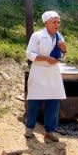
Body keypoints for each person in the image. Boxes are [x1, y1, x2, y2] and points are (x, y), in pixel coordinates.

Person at [24, 10, 67, 142]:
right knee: (34, 102)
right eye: (54, 22)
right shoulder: (37, 36)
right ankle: (29, 129)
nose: (57, 24)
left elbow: (62, 55)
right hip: (39, 72)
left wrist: (64, 49)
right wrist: (45, 58)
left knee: (53, 103)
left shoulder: (60, 37)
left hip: (53, 73)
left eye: (58, 22)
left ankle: (50, 131)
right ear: (46, 23)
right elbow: (29, 54)